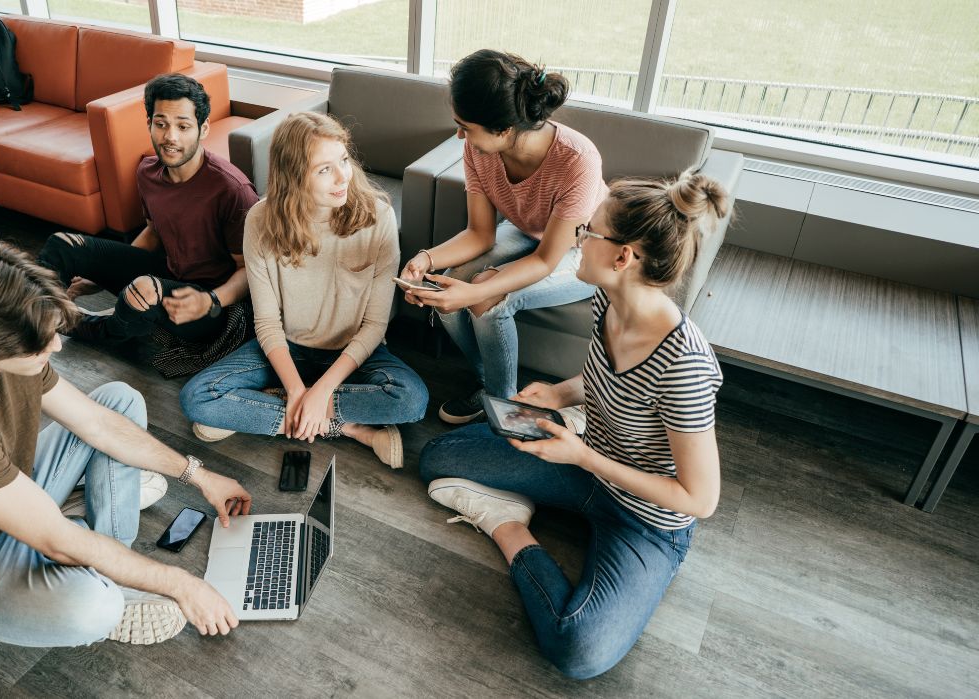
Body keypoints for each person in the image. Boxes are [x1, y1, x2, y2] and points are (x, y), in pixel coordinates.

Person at [0, 239, 253, 665]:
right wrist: (180, 583)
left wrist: (199, 475)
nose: (56, 347)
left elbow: (97, 423)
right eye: (43, 342)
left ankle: (102, 553)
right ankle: (84, 566)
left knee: (119, 401)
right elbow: (56, 542)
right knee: (94, 609)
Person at [419, 170, 729, 679]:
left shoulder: (685, 368)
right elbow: (604, 374)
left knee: (578, 650)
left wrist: (582, 455)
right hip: (585, 466)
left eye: (589, 232)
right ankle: (526, 498)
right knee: (438, 457)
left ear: (623, 256)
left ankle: (508, 526)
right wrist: (561, 393)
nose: (578, 239)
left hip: (646, 520)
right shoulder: (608, 299)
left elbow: (700, 500)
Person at [180, 112, 428, 468]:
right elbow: (266, 322)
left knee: (411, 401)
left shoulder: (378, 216)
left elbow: (374, 326)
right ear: (294, 176)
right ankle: (347, 427)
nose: (344, 176)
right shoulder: (261, 221)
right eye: (324, 169)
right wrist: (299, 391)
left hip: (353, 352)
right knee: (197, 399)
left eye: (343, 160)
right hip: (287, 348)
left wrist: (323, 389)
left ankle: (272, 409)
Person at [401, 49, 607, 423]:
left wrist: (478, 291)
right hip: (528, 230)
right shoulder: (477, 149)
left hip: (585, 248)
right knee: (447, 288)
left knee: (486, 299)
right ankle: (489, 386)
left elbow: (547, 258)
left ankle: (506, 409)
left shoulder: (577, 160)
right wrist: (426, 258)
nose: (459, 133)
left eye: (466, 125)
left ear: (505, 129)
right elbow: (479, 234)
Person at [36, 73, 258, 348]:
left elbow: (250, 270)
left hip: (210, 305)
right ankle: (34, 323)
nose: (170, 137)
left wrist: (210, 301)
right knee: (62, 244)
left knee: (142, 289)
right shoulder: (148, 172)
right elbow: (154, 232)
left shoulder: (232, 190)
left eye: (183, 126)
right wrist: (101, 276)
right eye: (161, 124)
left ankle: (82, 326)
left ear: (203, 129)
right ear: (149, 124)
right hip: (168, 273)